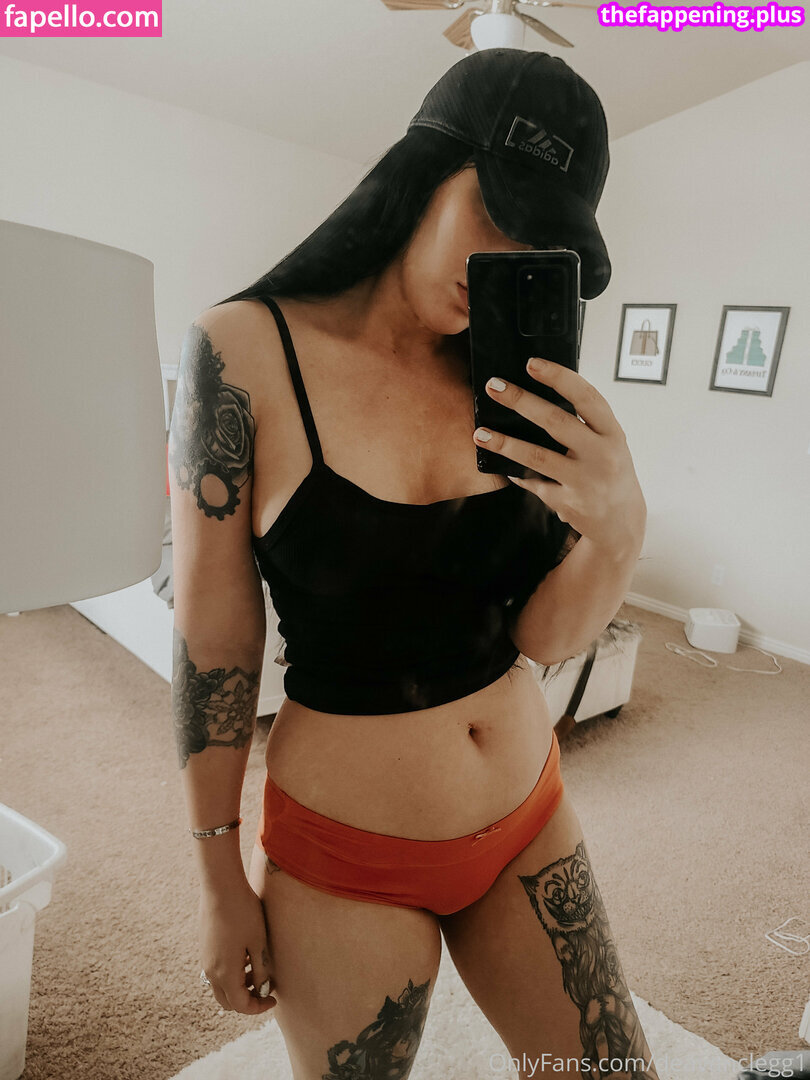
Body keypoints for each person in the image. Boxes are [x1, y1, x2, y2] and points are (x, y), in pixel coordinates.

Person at [169, 48, 658, 1080]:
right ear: (426, 167)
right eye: (497, 214)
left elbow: (542, 637)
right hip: (346, 856)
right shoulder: (243, 350)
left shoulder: (516, 384)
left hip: (529, 815)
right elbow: (215, 635)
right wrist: (218, 878)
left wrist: (618, 531)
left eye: (539, 244)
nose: (505, 260)